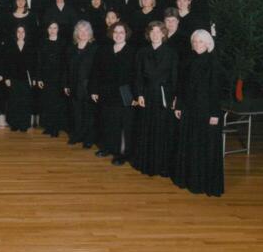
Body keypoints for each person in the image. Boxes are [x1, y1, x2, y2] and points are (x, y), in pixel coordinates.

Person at [172, 30, 224, 197]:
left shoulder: (214, 63)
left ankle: (202, 183)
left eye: (200, 42)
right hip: (189, 109)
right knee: (189, 144)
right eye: (194, 41)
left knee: (204, 147)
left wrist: (215, 114)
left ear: (208, 44)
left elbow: (216, 91)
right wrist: (178, 106)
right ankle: (187, 180)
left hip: (207, 111)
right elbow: (181, 86)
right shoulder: (188, 61)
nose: (197, 44)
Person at [132, 21, 179, 177]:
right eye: (152, 32)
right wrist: (139, 94)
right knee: (146, 128)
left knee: (162, 131)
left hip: (163, 95)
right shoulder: (141, 52)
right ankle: (146, 164)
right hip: (146, 94)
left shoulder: (171, 53)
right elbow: (137, 76)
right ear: (148, 34)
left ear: (164, 34)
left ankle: (162, 165)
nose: (155, 34)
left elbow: (174, 77)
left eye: (158, 32)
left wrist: (173, 98)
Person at [91, 22, 136, 166]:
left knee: (124, 125)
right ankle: (108, 148)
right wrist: (94, 90)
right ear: (111, 34)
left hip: (125, 93)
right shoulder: (103, 50)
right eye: (115, 32)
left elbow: (136, 76)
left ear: (126, 34)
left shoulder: (132, 52)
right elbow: (95, 71)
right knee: (108, 122)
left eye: (121, 32)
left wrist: (135, 96)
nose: (118, 35)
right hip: (106, 92)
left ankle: (122, 154)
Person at [65, 21, 98, 148]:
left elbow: (96, 70)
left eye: (86, 31)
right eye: (80, 30)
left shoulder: (94, 48)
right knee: (76, 112)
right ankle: (76, 135)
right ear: (76, 33)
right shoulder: (71, 48)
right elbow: (67, 68)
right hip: (74, 85)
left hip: (88, 86)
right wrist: (66, 84)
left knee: (88, 113)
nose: (83, 33)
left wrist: (95, 89)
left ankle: (88, 138)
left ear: (89, 33)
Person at [36, 22, 66, 137]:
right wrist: (39, 78)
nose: (53, 30)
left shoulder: (63, 43)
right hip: (46, 77)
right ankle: (48, 127)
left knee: (57, 104)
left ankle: (55, 128)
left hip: (58, 78)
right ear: (47, 30)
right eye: (50, 28)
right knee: (47, 103)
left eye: (55, 28)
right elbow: (39, 62)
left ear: (58, 29)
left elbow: (65, 63)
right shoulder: (43, 42)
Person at [4, 25, 35, 132]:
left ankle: (24, 124)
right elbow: (6, 63)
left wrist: (34, 78)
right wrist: (7, 78)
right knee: (14, 101)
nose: (20, 34)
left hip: (26, 78)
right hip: (14, 78)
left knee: (25, 102)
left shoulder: (31, 45)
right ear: (16, 33)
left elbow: (34, 64)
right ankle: (14, 123)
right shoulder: (10, 45)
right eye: (18, 31)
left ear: (26, 33)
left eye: (23, 32)